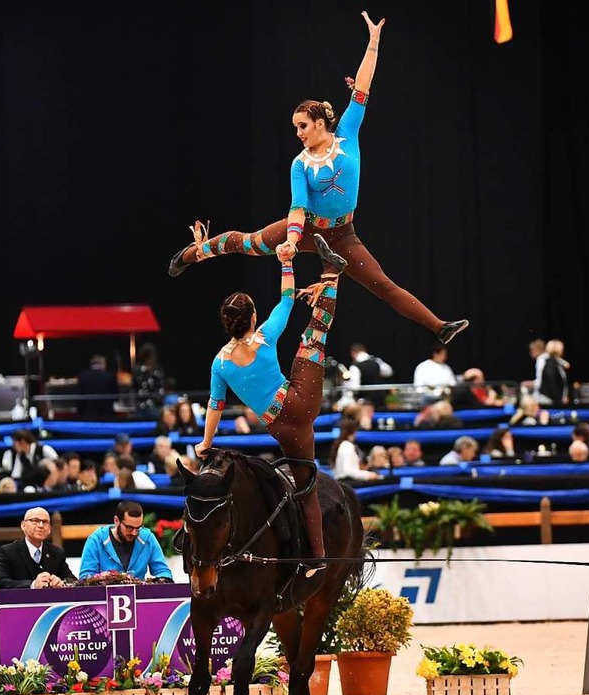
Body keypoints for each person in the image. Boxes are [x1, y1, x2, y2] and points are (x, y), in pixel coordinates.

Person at [168, 11, 468, 347]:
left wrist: (373, 43)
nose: (297, 133)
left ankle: (440, 327)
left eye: (302, 126)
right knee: (250, 243)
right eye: (295, 127)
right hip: (308, 228)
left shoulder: (347, 135)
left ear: (320, 123)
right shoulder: (300, 164)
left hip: (342, 235)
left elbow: (363, 87)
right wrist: (293, 242)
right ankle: (195, 254)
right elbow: (298, 207)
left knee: (383, 285)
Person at [193, 237, 347, 577]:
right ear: (252, 317)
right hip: (299, 402)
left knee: (306, 486)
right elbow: (288, 299)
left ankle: (316, 557)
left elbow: (215, 405)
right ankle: (332, 273)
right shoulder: (263, 338)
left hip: (279, 425)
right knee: (314, 335)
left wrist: (205, 442)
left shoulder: (220, 363)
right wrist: (286, 261)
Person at [79, 500, 173, 581]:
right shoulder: (96, 541)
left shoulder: (147, 538)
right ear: (116, 521)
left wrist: (161, 580)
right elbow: (85, 578)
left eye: (138, 528)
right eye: (129, 528)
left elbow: (163, 571)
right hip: (104, 597)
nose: (134, 533)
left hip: (140, 596)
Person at [0, 506, 76, 589]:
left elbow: (72, 580)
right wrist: (32, 584)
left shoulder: (56, 552)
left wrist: (62, 583)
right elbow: (0, 583)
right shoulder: (8, 551)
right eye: (35, 521)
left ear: (49, 529)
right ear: (23, 526)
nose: (40, 525)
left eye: (45, 522)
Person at [329, 418, 383, 483]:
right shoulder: (347, 446)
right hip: (347, 483)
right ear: (353, 432)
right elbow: (348, 471)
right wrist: (368, 475)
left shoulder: (342, 445)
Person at [346, 343, 393, 407]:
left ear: (353, 353)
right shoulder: (376, 361)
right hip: (380, 399)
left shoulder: (355, 366)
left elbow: (354, 387)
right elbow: (389, 372)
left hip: (365, 402)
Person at [75, 354, 119, 419]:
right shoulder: (110, 376)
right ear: (103, 364)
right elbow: (116, 395)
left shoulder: (82, 376)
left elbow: (79, 396)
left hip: (88, 414)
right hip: (107, 413)